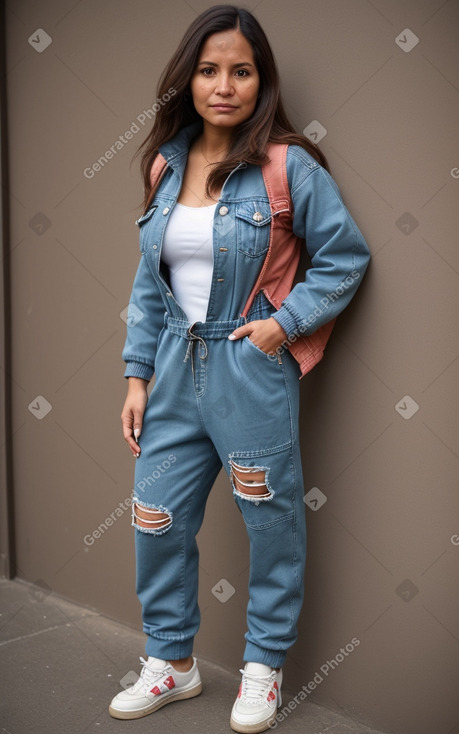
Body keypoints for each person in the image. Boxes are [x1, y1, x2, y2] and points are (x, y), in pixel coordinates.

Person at [109, 5, 370, 732]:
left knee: (270, 521)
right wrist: (136, 377)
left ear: (262, 80)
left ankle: (262, 668)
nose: (224, 85)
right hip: (171, 366)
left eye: (241, 71)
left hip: (248, 369)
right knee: (154, 518)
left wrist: (280, 327)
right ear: (187, 79)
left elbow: (345, 258)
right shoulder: (166, 164)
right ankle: (172, 663)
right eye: (208, 69)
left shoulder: (287, 166)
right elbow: (148, 284)